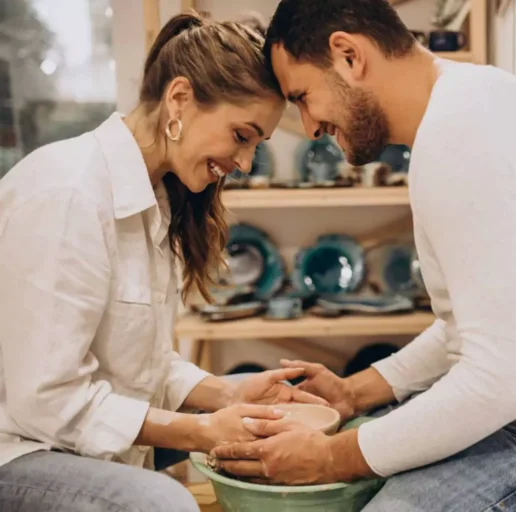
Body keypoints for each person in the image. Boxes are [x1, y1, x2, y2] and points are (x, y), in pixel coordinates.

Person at [209, 1, 516, 511]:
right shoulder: (470, 102)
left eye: (303, 96)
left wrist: (329, 458)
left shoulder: (461, 134)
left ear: (348, 56)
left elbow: (502, 381)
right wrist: (355, 393)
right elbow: (482, 327)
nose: (310, 125)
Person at [0, 11, 326, 511]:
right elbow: (46, 401)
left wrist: (224, 394)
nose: (243, 164)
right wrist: (199, 430)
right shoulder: (69, 193)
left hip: (62, 429)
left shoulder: (156, 201)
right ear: (179, 99)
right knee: (164, 503)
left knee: (270, 418)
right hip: (20, 447)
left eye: (255, 146)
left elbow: (135, 364)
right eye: (242, 136)